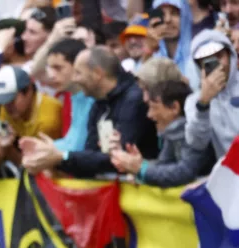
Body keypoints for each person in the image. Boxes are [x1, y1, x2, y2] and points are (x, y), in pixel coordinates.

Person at [20, 46, 157, 178]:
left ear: (97, 74)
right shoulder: (99, 102)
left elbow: (117, 159)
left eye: (78, 73)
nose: (74, 79)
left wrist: (61, 156)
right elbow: (90, 157)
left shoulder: (134, 100)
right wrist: (53, 158)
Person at [110, 79, 211, 188]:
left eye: (154, 108)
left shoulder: (195, 133)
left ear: (174, 107)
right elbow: (164, 165)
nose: (149, 115)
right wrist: (138, 166)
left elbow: (185, 172)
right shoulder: (171, 133)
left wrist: (140, 168)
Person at [184, 30, 239, 160]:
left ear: (230, 55)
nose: (216, 64)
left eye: (219, 56)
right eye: (205, 60)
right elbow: (197, 143)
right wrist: (203, 103)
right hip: (234, 171)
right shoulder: (194, 101)